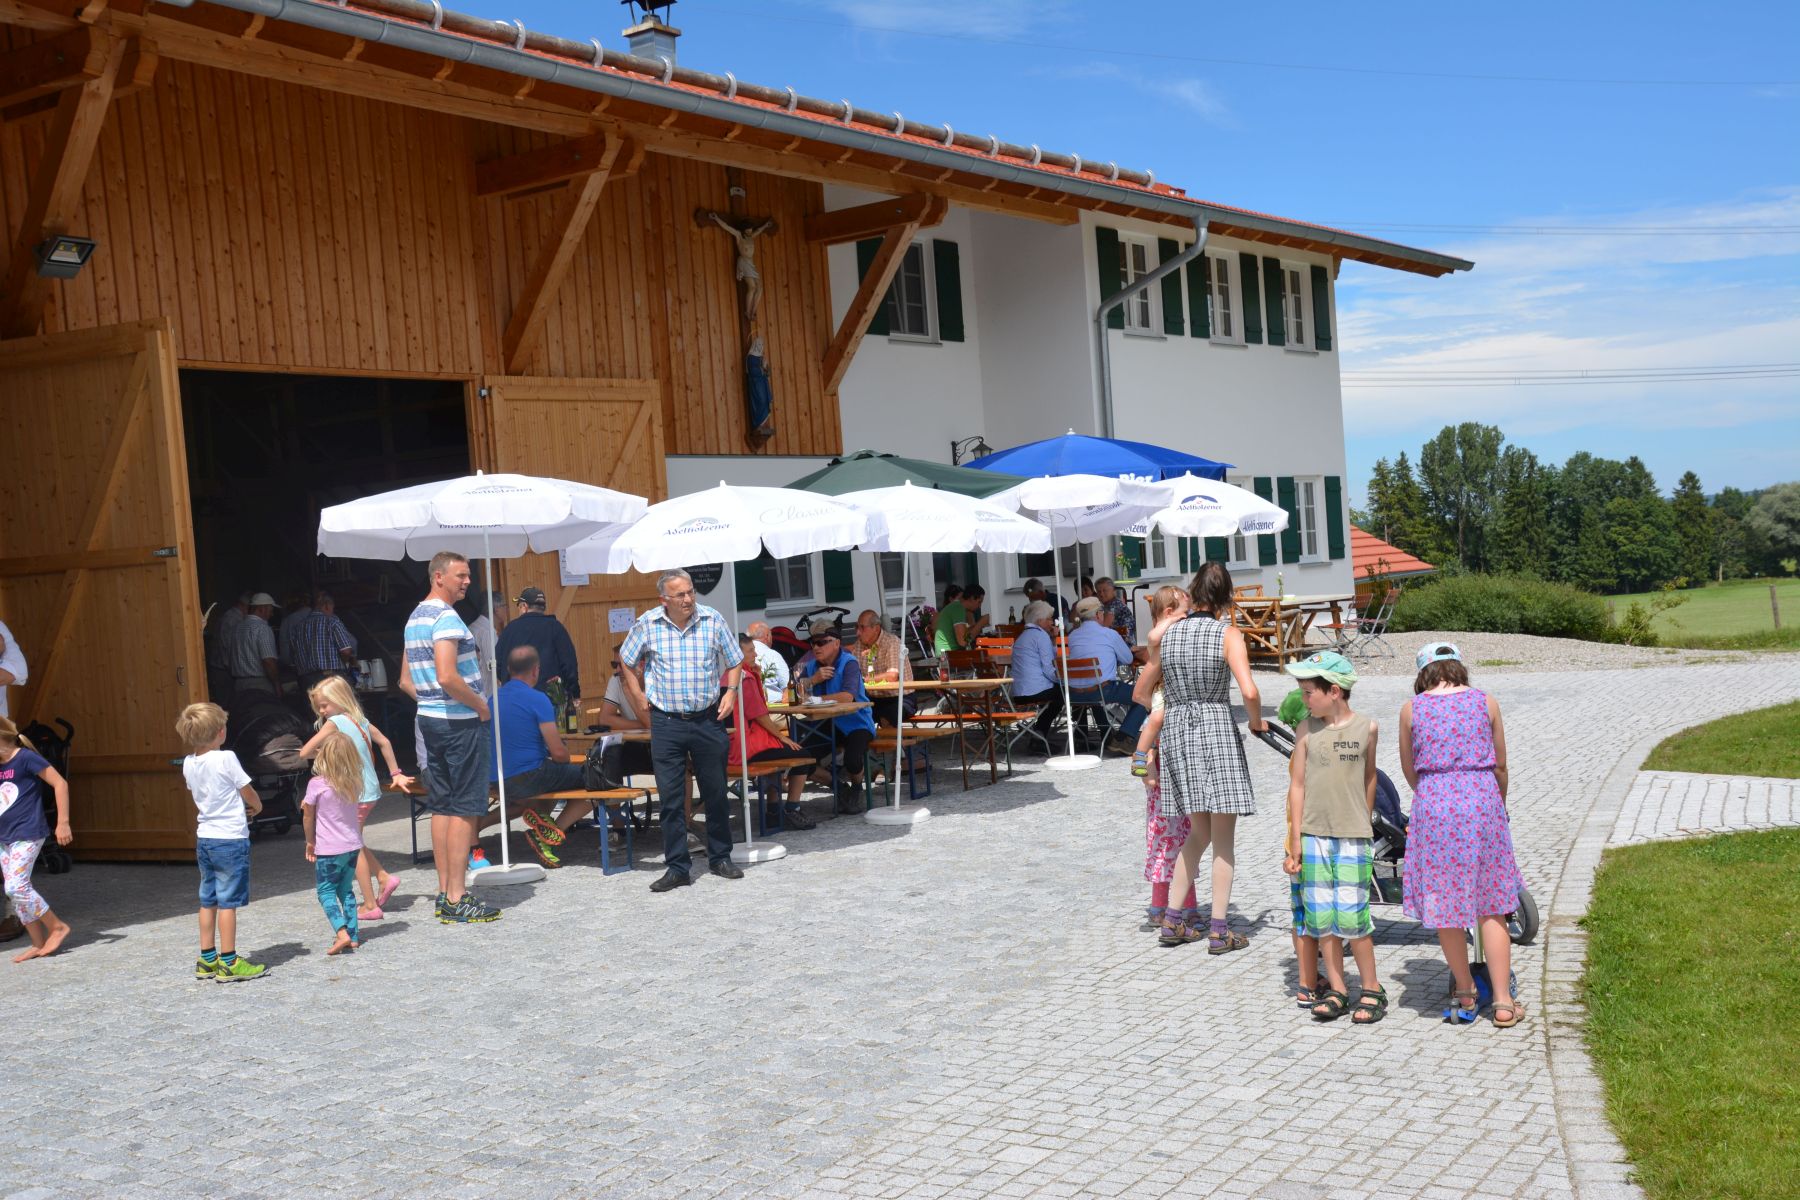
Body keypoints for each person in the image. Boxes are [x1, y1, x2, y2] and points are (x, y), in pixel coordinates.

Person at [1399, 643, 1527, 1028]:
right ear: (1458, 667)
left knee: (1445, 905)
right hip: (1482, 800)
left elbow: (1409, 768)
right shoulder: (1486, 702)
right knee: (1493, 904)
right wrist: (1498, 802)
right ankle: (1503, 1002)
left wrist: (1434, 793)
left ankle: (1466, 992)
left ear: (1423, 673)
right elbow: (1500, 764)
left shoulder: (1412, 709)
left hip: (1434, 805)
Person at [1155, 562, 1264, 953]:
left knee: (1198, 833)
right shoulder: (1227, 633)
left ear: (1193, 592)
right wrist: (1256, 722)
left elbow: (1149, 683)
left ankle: (1172, 919)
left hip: (1177, 730)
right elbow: (1249, 690)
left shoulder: (1170, 634)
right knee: (1223, 841)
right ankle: (1219, 929)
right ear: (1225, 597)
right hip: (1214, 727)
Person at [618, 568, 745, 892]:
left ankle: (720, 857)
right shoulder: (648, 623)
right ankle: (677, 867)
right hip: (667, 722)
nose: (688, 599)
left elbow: (735, 659)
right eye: (680, 595)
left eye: (690, 592)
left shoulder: (712, 619)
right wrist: (637, 696)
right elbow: (626, 660)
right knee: (672, 798)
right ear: (665, 599)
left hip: (707, 719)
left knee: (716, 792)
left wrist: (731, 692)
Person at [1281, 650, 1386, 1024]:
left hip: (1353, 837)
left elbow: (1369, 776)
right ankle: (1339, 989)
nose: (1304, 698)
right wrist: (1296, 839)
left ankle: (1371, 988)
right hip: (1314, 837)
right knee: (1322, 918)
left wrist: (1363, 818)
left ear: (1335, 691)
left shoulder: (1367, 728)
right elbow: (1297, 785)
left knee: (1354, 917)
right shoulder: (1306, 729)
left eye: (1309, 692)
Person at [397, 551, 500, 926]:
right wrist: (480, 706)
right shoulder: (445, 617)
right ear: (438, 576)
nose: (468, 581)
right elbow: (446, 675)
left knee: (441, 805)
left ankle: (445, 893)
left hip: (431, 721)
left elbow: (405, 680)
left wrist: (431, 703)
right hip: (459, 724)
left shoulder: (415, 617)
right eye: (461, 575)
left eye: (468, 575)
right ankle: (458, 897)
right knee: (464, 807)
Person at [299, 677, 408, 920]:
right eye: (319, 708)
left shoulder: (335, 723)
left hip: (353, 793)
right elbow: (385, 742)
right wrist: (395, 773)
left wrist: (326, 753)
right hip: (367, 789)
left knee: (353, 845)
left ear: (339, 700)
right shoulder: (361, 720)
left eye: (324, 705)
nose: (322, 711)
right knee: (354, 839)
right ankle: (383, 877)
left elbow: (304, 752)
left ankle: (370, 904)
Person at [176, 702, 267, 981]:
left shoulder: (188, 763)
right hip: (230, 838)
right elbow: (245, 789)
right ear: (220, 732)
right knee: (228, 902)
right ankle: (229, 961)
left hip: (205, 837)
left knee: (209, 899)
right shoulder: (226, 758)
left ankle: (207, 958)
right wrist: (258, 805)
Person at [486, 646, 595, 871]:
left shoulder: (491, 700)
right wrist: (566, 760)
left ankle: (541, 821)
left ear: (508, 670)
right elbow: (558, 753)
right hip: (530, 776)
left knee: (549, 783)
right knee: (596, 780)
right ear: (536, 670)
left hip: (496, 777)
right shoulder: (537, 699)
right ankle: (550, 834)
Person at [1131, 586, 1195, 932]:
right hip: (1162, 698)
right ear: (1169, 612)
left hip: (1165, 700)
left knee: (1183, 838)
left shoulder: (1171, 634)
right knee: (1156, 719)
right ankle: (1140, 756)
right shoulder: (1161, 633)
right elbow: (1153, 637)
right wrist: (1173, 623)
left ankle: (1186, 904)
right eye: (1184, 612)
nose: (1188, 618)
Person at [728, 634, 821, 831]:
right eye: (750, 651)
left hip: (734, 745)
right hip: (747, 747)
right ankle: (792, 808)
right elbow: (760, 715)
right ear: (738, 655)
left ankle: (773, 811)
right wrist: (782, 737)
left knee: (779, 759)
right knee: (802, 756)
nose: (755, 654)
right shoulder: (744, 678)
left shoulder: (729, 676)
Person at [0, 716, 72, 963]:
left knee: (16, 886)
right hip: (5, 837)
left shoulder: (25, 758)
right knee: (15, 891)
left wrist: (63, 822)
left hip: (28, 833)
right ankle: (37, 942)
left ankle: (57, 927)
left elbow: (60, 784)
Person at [792, 623, 879, 815]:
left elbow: (847, 696)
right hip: (824, 724)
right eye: (813, 643)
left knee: (852, 760)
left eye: (822, 642)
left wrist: (815, 699)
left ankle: (856, 788)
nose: (816, 647)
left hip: (855, 722)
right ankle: (839, 787)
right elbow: (791, 695)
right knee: (801, 759)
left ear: (837, 643)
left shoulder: (849, 663)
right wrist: (812, 680)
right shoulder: (811, 666)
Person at [303, 730, 367, 956]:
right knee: (346, 890)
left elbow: (308, 815)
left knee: (326, 891)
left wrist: (309, 841)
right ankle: (354, 935)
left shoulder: (316, 784)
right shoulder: (355, 782)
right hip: (352, 846)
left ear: (323, 756)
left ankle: (341, 932)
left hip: (329, 849)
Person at [1066, 595, 1149, 750]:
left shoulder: (1072, 636)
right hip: (1101, 691)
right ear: (1099, 614)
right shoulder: (1109, 634)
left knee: (1094, 686)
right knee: (1144, 696)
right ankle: (1122, 738)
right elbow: (1128, 658)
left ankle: (1098, 736)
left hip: (1074, 694)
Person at [495, 586, 581, 704]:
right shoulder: (555, 627)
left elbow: (497, 664)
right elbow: (569, 665)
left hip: (517, 700)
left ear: (524, 607)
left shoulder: (509, 630)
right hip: (550, 700)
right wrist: (575, 693)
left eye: (519, 606)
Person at [1010, 601, 1063, 740]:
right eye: (1049, 619)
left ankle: (1039, 732)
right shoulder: (1040, 635)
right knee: (1063, 693)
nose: (1052, 622)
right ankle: (1040, 733)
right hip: (1034, 692)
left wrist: (1053, 639)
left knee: (1056, 691)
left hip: (1018, 693)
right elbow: (1049, 669)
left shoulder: (1022, 636)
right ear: (1040, 621)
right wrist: (1063, 681)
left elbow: (1049, 660)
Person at [854, 609, 913, 726]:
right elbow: (853, 671)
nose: (857, 633)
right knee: (852, 714)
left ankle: (891, 739)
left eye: (862, 628)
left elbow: (892, 676)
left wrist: (865, 680)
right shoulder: (859, 645)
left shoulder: (891, 642)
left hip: (900, 697)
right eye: (856, 627)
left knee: (888, 715)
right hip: (873, 698)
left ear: (876, 628)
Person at [292, 591, 358, 691]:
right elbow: (346, 651)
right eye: (332, 608)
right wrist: (344, 663)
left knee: (312, 702)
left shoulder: (298, 627)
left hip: (306, 680)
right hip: (330, 677)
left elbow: (293, 655)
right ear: (327, 606)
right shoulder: (332, 621)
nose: (332, 612)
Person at [229, 593, 282, 696]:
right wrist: (277, 684)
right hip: (259, 684)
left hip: (238, 685)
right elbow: (268, 661)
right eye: (271, 610)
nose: (272, 614)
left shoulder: (237, 628)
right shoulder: (262, 628)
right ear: (262, 609)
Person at [744, 621, 790, 706]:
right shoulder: (772, 654)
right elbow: (788, 687)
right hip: (773, 706)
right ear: (767, 636)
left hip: (747, 705)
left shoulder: (741, 654)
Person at [933, 584, 984, 653]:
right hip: (947, 655)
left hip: (952, 652)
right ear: (972, 598)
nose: (979, 606)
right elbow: (963, 642)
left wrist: (978, 625)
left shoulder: (959, 608)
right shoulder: (958, 608)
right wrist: (981, 623)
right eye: (979, 602)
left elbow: (965, 635)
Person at [278, 592, 313, 672]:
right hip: (317, 665)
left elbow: (285, 647)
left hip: (294, 666)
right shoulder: (321, 617)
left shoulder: (289, 620)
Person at [1094, 576, 1135, 644]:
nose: (1101, 594)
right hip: (1119, 641)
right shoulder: (1107, 605)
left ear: (1113, 591)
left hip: (1123, 644)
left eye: (1104, 590)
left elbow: (1105, 628)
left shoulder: (1114, 605)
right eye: (1099, 591)